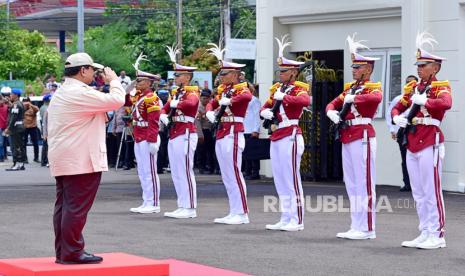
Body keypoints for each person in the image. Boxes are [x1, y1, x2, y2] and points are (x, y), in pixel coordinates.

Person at [47, 53, 125, 264]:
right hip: (80, 159)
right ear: (83, 70)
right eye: (92, 70)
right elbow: (117, 99)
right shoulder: (78, 91)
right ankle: (72, 252)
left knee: (65, 207)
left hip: (68, 157)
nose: (95, 74)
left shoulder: (65, 91)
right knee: (75, 208)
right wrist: (114, 81)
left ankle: (64, 252)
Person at [392, 32, 451, 250]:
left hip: (430, 140)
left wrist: (426, 100)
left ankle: (437, 234)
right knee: (417, 190)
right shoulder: (414, 88)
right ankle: (425, 231)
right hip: (413, 140)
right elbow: (399, 106)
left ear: (434, 67)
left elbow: (446, 103)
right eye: (418, 64)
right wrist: (396, 116)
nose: (419, 68)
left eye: (424, 64)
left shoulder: (440, 86)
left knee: (431, 189)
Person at [326, 34, 382, 240]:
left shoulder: (372, 87)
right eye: (353, 67)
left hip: (363, 135)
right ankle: (356, 224)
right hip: (348, 135)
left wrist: (355, 98)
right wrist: (331, 112)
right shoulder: (350, 88)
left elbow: (376, 98)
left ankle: (368, 228)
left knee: (364, 183)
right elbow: (331, 104)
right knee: (351, 183)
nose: (354, 70)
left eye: (358, 68)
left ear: (368, 69)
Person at [260, 35, 311, 231]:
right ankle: (285, 216)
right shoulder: (276, 90)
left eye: (284, 71)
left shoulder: (298, 89)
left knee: (291, 178)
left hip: (291, 134)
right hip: (277, 135)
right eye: (279, 71)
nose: (280, 74)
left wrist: (286, 98)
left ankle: (297, 219)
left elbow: (305, 101)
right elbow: (266, 106)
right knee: (280, 178)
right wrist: (264, 111)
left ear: (293, 73)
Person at [206, 42, 252, 225]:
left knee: (234, 173)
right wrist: (210, 110)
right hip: (222, 132)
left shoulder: (241, 88)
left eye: (224, 73)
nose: (221, 76)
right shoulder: (224, 90)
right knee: (226, 174)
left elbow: (246, 97)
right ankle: (234, 210)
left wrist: (228, 101)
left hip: (233, 132)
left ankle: (242, 212)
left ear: (234, 74)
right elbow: (212, 103)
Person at [159, 46, 199, 219]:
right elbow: (164, 109)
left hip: (187, 133)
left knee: (185, 170)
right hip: (175, 132)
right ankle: (181, 204)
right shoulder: (176, 93)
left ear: (187, 77)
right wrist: (164, 117)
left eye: (178, 75)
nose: (175, 78)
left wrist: (178, 104)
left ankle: (190, 207)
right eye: (175, 75)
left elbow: (192, 104)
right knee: (176, 170)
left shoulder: (191, 92)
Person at [128, 53, 163, 214]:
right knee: (142, 170)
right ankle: (146, 200)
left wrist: (153, 139)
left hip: (148, 136)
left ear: (148, 82)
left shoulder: (151, 98)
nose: (137, 83)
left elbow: (154, 120)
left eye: (140, 80)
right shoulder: (139, 96)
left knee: (150, 171)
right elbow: (126, 102)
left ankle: (153, 202)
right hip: (139, 135)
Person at [385, 75, 418, 192]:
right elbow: (391, 113)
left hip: (417, 130)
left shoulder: (420, 98)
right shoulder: (400, 99)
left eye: (412, 82)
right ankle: (407, 184)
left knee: (418, 158)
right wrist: (392, 129)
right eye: (408, 82)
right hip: (403, 130)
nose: (410, 84)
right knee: (405, 159)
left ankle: (417, 184)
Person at [4, 88, 26, 171]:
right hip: (19, 127)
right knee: (20, 146)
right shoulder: (19, 103)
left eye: (11, 94)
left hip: (15, 128)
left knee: (15, 147)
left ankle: (16, 164)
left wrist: (8, 128)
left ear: (16, 95)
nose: (10, 95)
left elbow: (13, 118)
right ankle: (21, 164)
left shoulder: (16, 105)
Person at [243, 84, 261, 180]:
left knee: (253, 153)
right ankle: (247, 171)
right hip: (244, 129)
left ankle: (255, 172)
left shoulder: (254, 100)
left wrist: (256, 130)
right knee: (246, 153)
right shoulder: (243, 100)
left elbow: (257, 116)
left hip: (251, 129)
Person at [196, 88, 215, 174]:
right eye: (204, 98)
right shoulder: (198, 107)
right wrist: (200, 135)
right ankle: (201, 167)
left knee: (211, 150)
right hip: (202, 131)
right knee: (201, 150)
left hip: (210, 130)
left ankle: (211, 167)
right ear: (200, 98)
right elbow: (197, 122)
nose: (206, 100)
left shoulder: (211, 106)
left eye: (208, 98)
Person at [22, 98, 40, 163]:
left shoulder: (33, 108)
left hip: (33, 127)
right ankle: (25, 158)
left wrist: (30, 104)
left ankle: (36, 158)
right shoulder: (21, 108)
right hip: (24, 128)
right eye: (24, 101)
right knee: (23, 144)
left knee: (35, 143)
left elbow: (37, 109)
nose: (25, 103)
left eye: (27, 101)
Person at [40, 94, 52, 167]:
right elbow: (45, 121)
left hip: (44, 127)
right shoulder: (47, 108)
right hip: (47, 128)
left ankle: (43, 160)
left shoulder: (42, 107)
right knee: (47, 146)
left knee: (45, 146)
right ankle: (45, 160)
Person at [0, 93, 9, 162]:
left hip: (4, 127)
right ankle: (3, 156)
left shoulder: (6, 107)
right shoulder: (6, 106)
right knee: (2, 142)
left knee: (3, 142)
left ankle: (3, 156)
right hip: (3, 127)